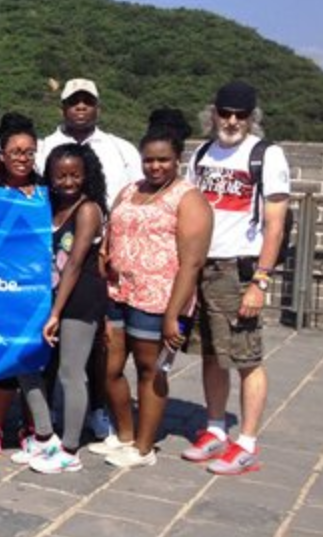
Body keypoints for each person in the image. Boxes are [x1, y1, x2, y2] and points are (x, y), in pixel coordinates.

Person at [183, 82, 290, 474]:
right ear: (213, 113)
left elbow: (275, 225)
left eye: (240, 115)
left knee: (247, 357)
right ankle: (215, 428)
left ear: (251, 117)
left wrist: (260, 281)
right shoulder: (202, 154)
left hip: (239, 268)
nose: (231, 121)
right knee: (211, 354)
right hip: (203, 265)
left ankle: (246, 442)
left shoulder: (266, 155)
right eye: (225, 113)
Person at [96, 110, 212, 468]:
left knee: (150, 370)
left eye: (163, 160)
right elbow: (111, 230)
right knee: (109, 367)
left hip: (159, 298)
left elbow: (192, 262)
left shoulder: (188, 199)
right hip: (119, 292)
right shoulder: (130, 190)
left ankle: (144, 447)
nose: (155, 166)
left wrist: (174, 315)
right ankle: (125, 434)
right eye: (149, 160)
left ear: (177, 159)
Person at [38, 78, 142, 444]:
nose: (80, 107)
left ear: (97, 106)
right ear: (63, 107)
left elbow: (134, 201)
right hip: (52, 276)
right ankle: (48, 424)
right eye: (73, 101)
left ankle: (90, 418)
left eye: (87, 101)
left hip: (92, 271)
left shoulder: (120, 149)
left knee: (93, 354)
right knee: (50, 360)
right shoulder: (45, 147)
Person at [14, 144, 108, 473]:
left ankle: (69, 449)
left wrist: (56, 313)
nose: (68, 182)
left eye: (75, 175)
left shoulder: (88, 210)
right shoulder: (47, 206)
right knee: (25, 364)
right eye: (60, 175)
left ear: (86, 175)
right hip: (45, 298)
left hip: (79, 299)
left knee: (70, 373)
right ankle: (44, 436)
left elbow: (75, 264)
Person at [0, 113, 44, 459]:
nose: (22, 158)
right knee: (2, 363)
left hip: (36, 290)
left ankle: (32, 426)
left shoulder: (46, 193)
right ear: (2, 155)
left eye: (29, 152)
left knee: (34, 362)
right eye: (16, 151)